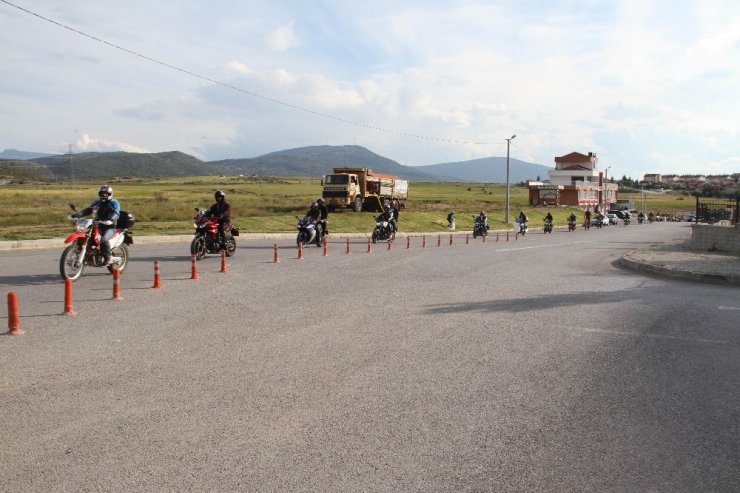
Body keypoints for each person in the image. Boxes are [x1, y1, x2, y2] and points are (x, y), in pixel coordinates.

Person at [73, 184, 121, 265]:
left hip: (110, 226)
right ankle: (86, 253)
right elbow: (89, 210)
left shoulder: (114, 202)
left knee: (103, 239)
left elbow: (117, 213)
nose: (104, 195)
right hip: (98, 225)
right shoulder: (97, 202)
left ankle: (108, 257)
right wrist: (78, 214)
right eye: (102, 193)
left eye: (106, 194)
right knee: (88, 236)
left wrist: (111, 219)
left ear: (110, 194)